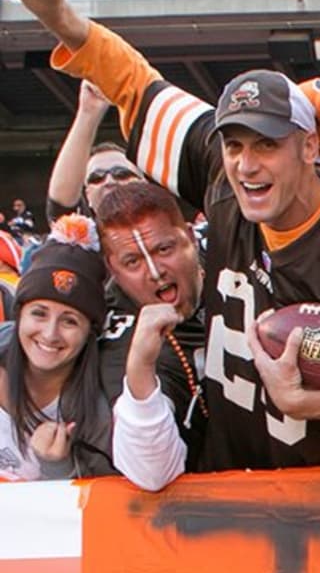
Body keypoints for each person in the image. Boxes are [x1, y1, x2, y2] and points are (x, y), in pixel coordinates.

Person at [8, 0, 320, 478]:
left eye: (267, 145)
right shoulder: (224, 180)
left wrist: (312, 403)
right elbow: (134, 85)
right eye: (235, 145)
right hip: (224, 489)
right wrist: (58, 17)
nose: (247, 165)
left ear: (311, 146)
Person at [95, 182, 207, 489]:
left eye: (164, 249)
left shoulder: (233, 258)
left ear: (190, 236)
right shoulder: (119, 337)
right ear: (113, 270)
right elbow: (152, 475)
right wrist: (141, 369)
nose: (155, 272)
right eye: (133, 262)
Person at [0, 215, 115, 480]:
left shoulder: (97, 413)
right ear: (19, 315)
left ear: (90, 332)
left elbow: (91, 511)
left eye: (70, 321)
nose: (50, 334)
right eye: (39, 314)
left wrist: (58, 468)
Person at [47, 80, 146, 222]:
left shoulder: (176, 232)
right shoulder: (80, 240)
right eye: (96, 178)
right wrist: (88, 112)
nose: (109, 181)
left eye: (121, 174)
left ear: (143, 185)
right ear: (88, 197)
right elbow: (60, 203)